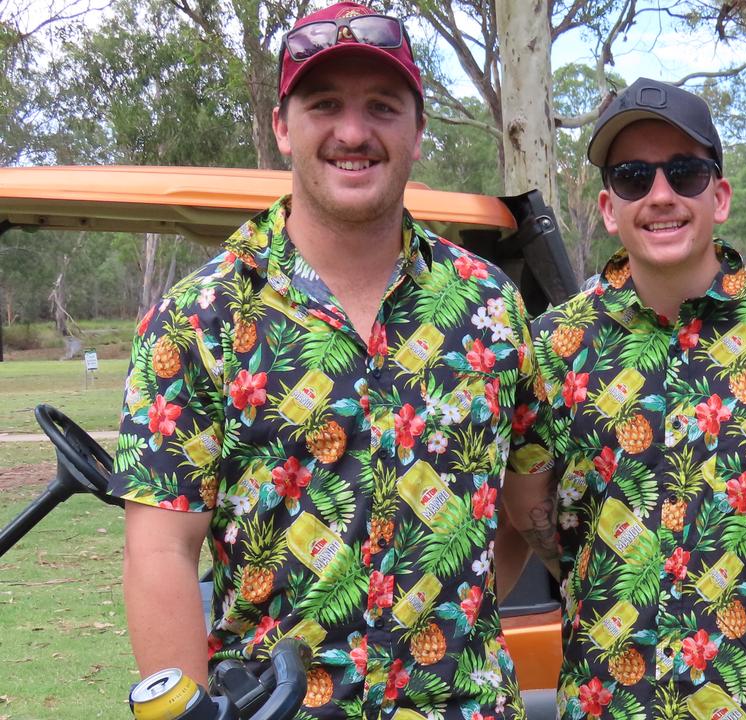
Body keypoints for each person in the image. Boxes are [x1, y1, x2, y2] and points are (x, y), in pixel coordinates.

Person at [109, 3, 532, 717]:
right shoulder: (200, 318)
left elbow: (520, 509)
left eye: (383, 107)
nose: (353, 132)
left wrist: (452, 607)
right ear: (282, 126)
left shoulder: (489, 306)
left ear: (418, 131)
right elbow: (160, 552)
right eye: (324, 104)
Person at [501, 77, 746, 720]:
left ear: (718, 196)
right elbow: (529, 502)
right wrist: (614, 565)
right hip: (609, 699)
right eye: (635, 176)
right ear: (610, 207)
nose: (661, 195)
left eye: (685, 172)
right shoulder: (554, 348)